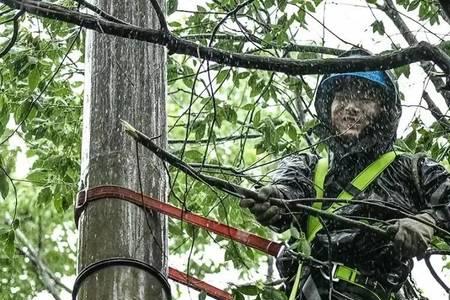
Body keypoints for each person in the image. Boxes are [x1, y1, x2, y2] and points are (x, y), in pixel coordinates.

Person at [240, 49, 450, 300]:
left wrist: (427, 221)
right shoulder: (308, 167)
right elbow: (287, 193)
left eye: (364, 98)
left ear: (384, 110)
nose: (351, 107)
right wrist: (274, 201)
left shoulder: (412, 169)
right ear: (328, 105)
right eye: (343, 96)